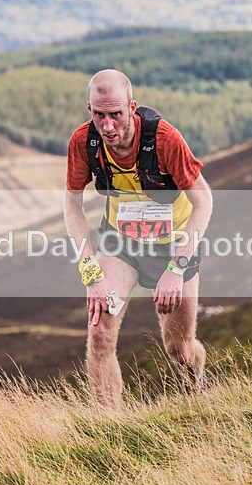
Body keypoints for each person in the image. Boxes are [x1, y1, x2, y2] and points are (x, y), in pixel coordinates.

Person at [64, 69, 213, 410]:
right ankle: (107, 434)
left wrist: (177, 268)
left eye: (116, 114)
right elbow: (71, 206)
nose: (108, 126)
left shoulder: (164, 139)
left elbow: (203, 201)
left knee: (180, 349)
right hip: (122, 245)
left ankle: (197, 383)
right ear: (89, 109)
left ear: (131, 107)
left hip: (174, 247)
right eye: (99, 115)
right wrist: (91, 274)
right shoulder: (83, 143)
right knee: (100, 334)